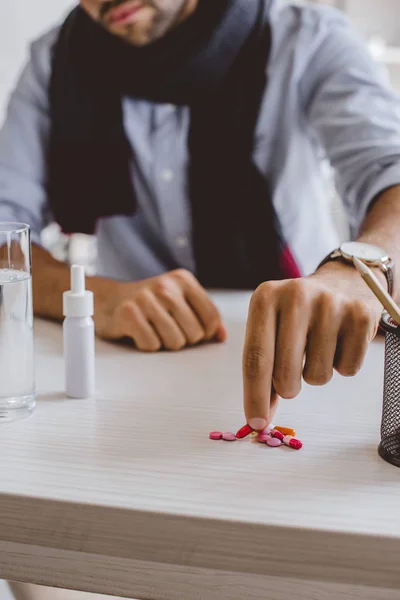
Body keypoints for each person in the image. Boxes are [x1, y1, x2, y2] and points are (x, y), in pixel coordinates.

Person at [3, 1, 400, 597]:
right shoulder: (54, 61)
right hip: (130, 388)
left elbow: (390, 172)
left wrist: (356, 266)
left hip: (321, 378)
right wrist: (95, 297)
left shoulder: (305, 36)